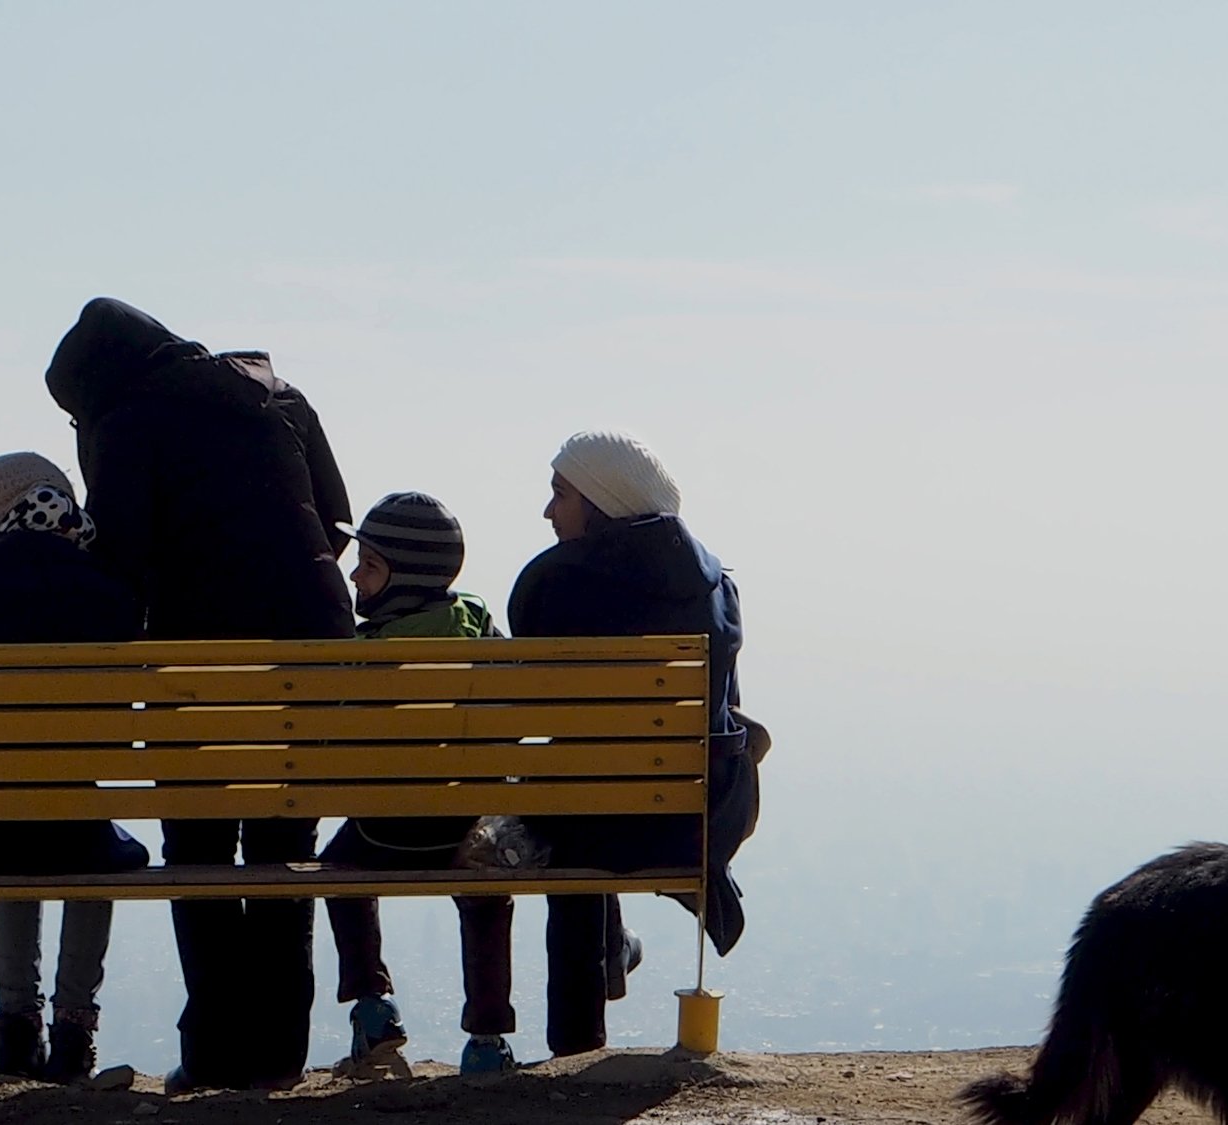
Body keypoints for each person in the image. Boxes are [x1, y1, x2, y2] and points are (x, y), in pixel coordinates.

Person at [45, 298, 354, 1092]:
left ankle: (216, 1050)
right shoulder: (273, 391)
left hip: (198, 662)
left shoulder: (126, 421)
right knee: (284, 847)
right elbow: (338, 516)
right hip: (314, 652)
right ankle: (280, 1053)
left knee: (201, 847)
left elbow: (121, 559)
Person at [506, 430, 756, 1058]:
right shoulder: (717, 587)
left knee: (581, 792)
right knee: (600, 782)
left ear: (600, 500)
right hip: (687, 822)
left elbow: (532, 704)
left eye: (560, 494)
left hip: (586, 825)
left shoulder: (549, 582)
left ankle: (575, 1047)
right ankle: (611, 955)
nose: (548, 511)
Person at [0, 451, 151, 1081]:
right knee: (90, 841)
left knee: (15, 836)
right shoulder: (108, 586)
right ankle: (75, 1030)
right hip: (75, 825)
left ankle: (14, 1028)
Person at [314, 492, 522, 1076]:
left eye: (370, 565)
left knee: (338, 873)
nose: (355, 574)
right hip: (467, 831)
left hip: (383, 834)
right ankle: (486, 1041)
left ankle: (374, 1008)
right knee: (486, 895)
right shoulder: (477, 625)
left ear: (404, 578)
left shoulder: (365, 653)